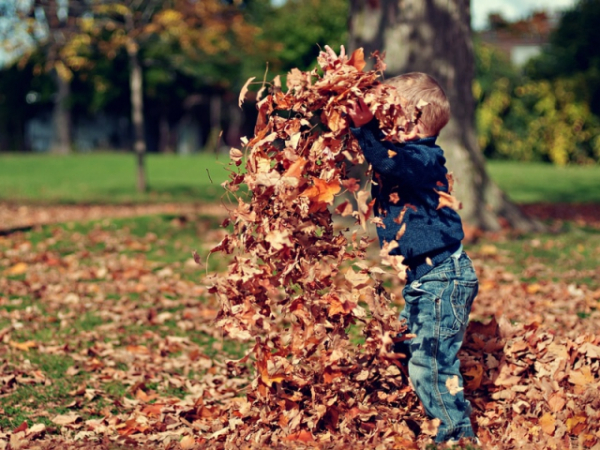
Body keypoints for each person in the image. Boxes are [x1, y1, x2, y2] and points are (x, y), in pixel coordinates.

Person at [325, 47, 480, 444]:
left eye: (387, 114)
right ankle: (427, 411)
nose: (380, 121)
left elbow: (390, 162)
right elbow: (382, 159)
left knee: (431, 362)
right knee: (412, 348)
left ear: (410, 123)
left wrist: (365, 129)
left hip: (443, 279)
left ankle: (456, 436)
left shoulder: (423, 158)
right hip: (426, 278)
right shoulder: (406, 155)